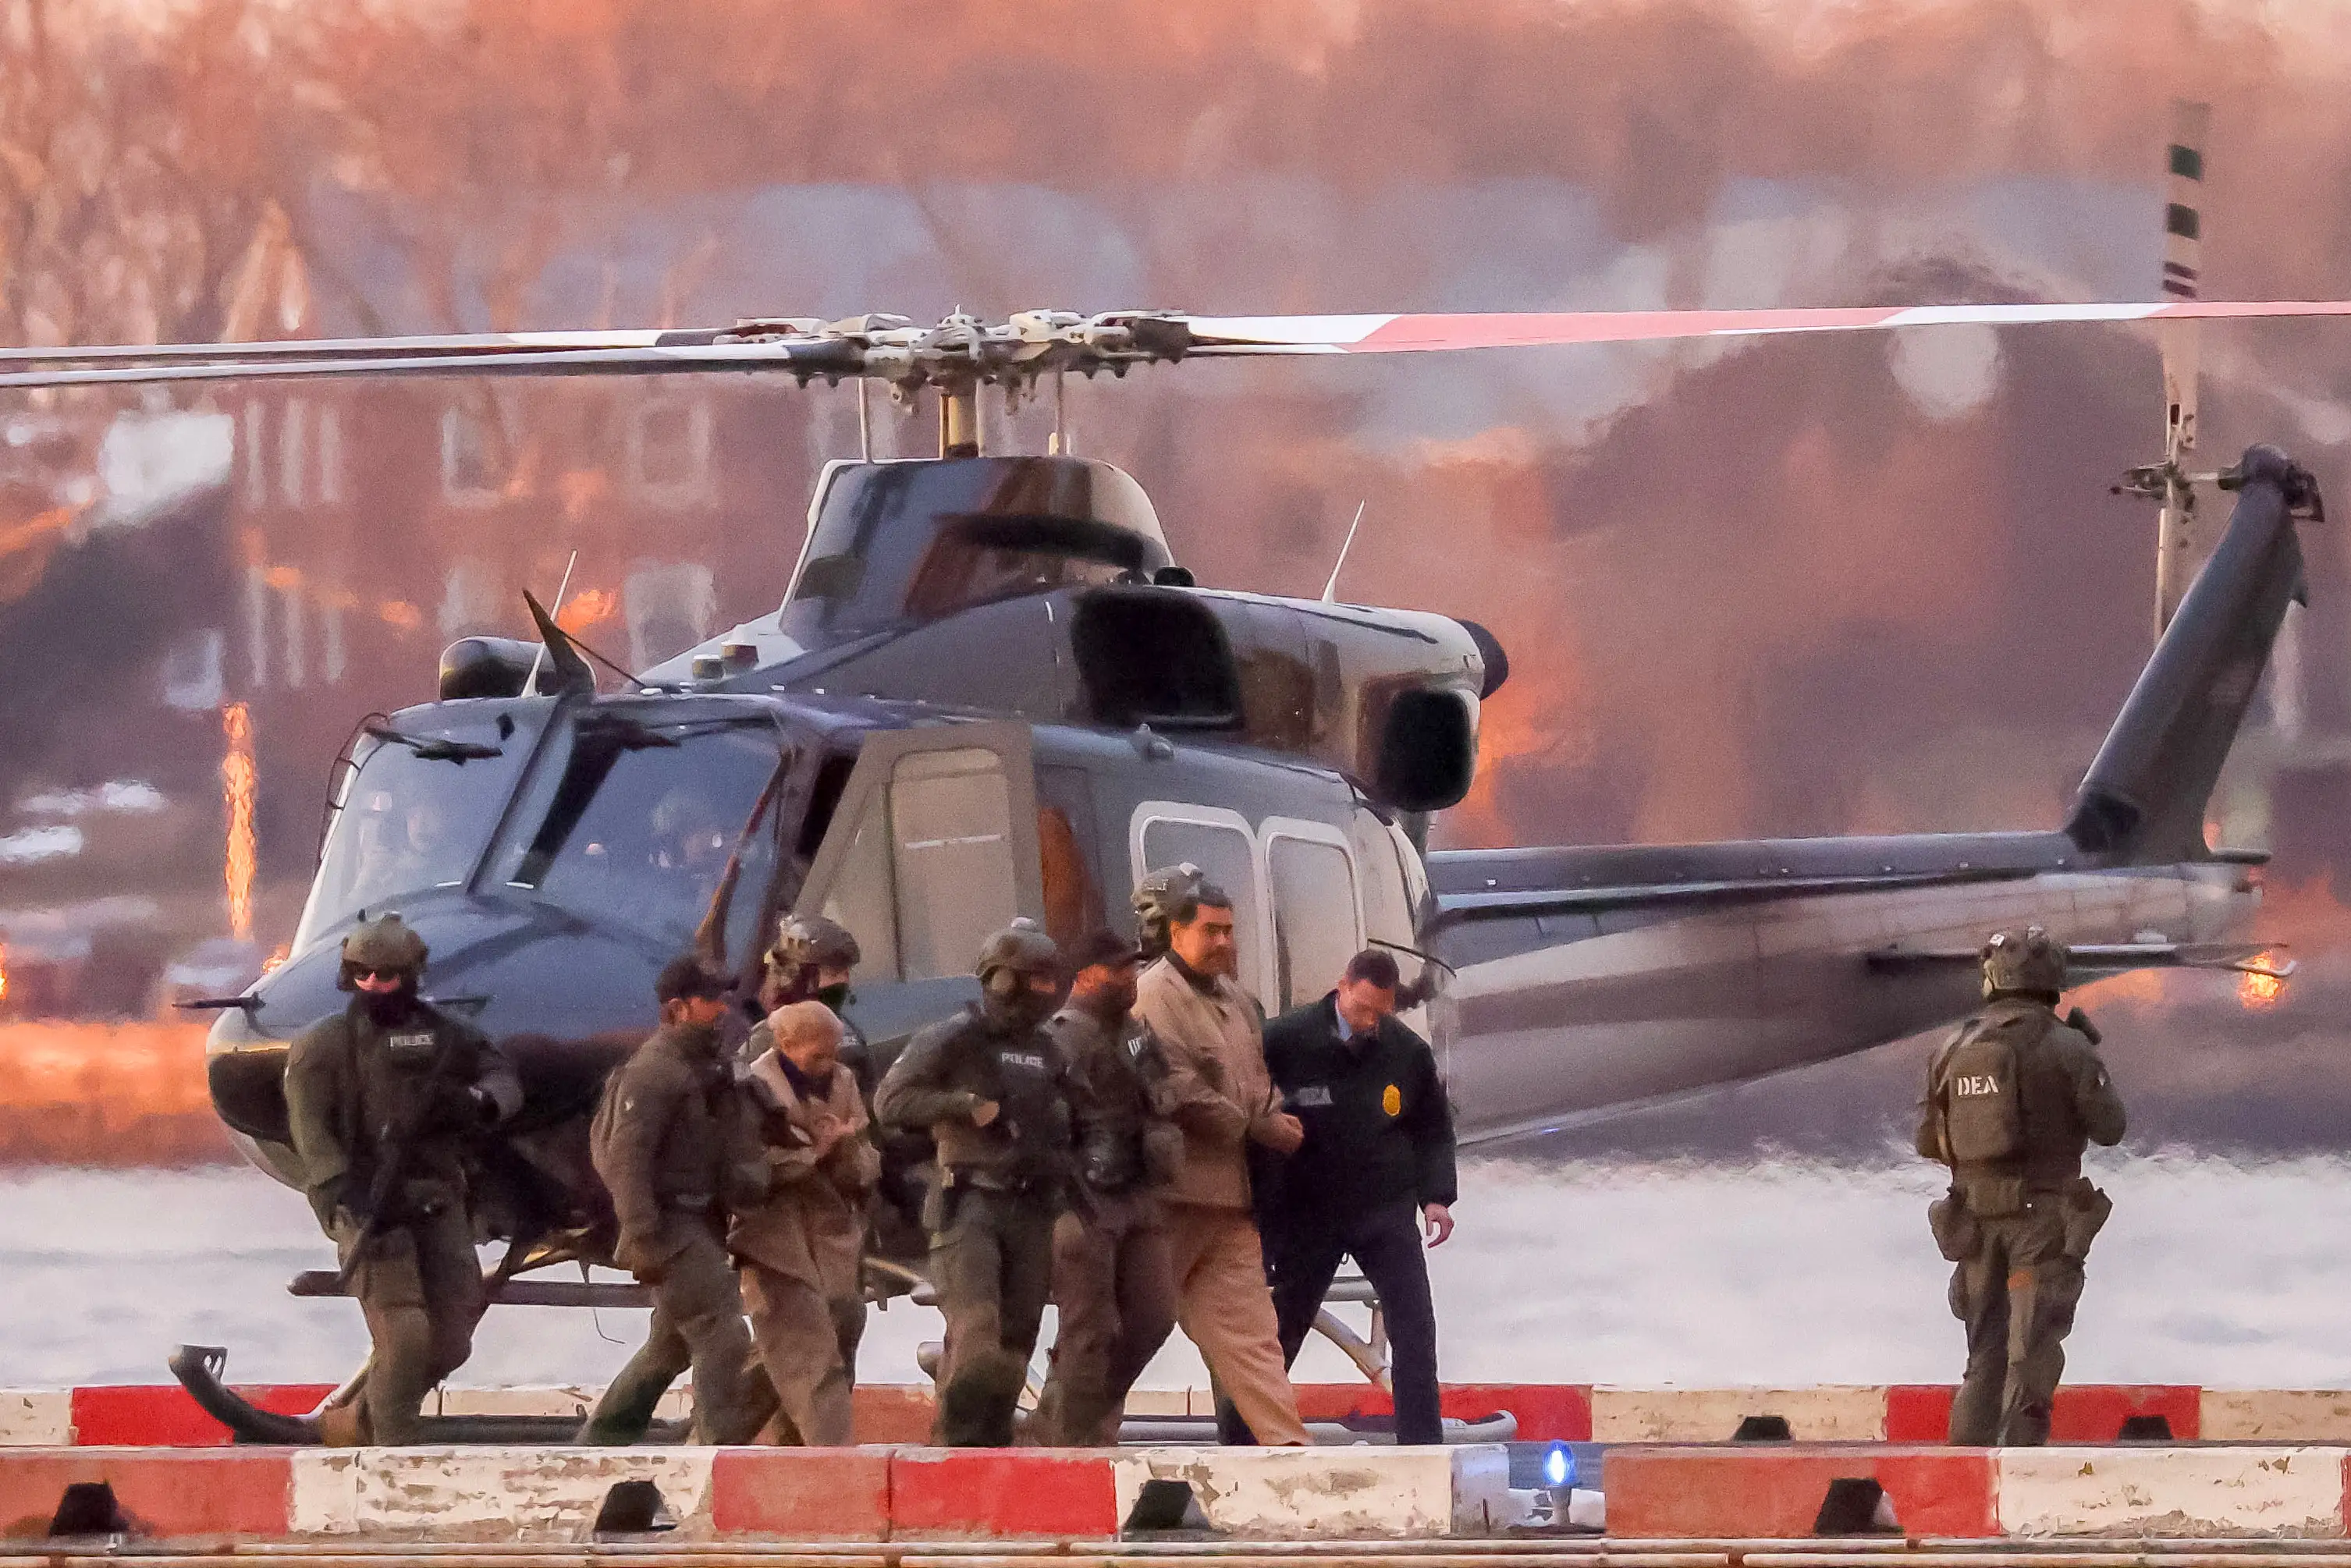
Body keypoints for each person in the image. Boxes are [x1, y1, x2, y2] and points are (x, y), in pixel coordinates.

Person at [282, 913, 522, 1446]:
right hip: (366, 1203)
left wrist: (475, 1104)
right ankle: (394, 1448)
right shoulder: (324, 1046)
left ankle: (361, 1420)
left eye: (386, 976)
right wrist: (344, 1191)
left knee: (452, 1337)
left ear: (410, 974)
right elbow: (310, 1130)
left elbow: (500, 1076)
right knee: (405, 1333)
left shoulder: (445, 1038)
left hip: (437, 1196)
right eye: (362, 975)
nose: (374, 986)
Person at [1916, 925, 2126, 1446]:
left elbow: (1928, 1141)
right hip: (2039, 1220)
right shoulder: (2066, 1045)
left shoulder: (1951, 1047)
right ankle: (2020, 1475)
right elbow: (2110, 1129)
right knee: (2029, 1351)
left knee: (1981, 1358)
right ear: (2051, 979)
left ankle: (1965, 1480)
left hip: (1971, 1224)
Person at [875, 920, 1073, 1446]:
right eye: (1033, 981)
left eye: (1050, 982)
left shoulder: (1051, 1050)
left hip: (1033, 1208)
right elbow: (891, 1102)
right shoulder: (953, 1038)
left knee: (1016, 1340)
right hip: (970, 1204)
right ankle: (954, 1445)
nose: (1044, 994)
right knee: (977, 1331)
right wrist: (962, 1108)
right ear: (1002, 980)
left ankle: (991, 1447)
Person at [1131, 878, 1312, 1448]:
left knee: (1255, 1342)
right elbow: (1175, 1089)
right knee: (1130, 1334)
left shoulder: (1235, 1001)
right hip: (1173, 1202)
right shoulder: (1152, 997)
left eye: (1228, 930)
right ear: (1176, 932)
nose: (1222, 942)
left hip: (1232, 1203)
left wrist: (1274, 1120)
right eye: (1209, 930)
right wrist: (1258, 1127)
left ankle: (1291, 1457)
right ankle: (1063, 1452)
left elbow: (1258, 1086)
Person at [1260, 948, 1458, 1446]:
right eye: (1363, 1009)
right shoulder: (1285, 1039)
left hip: (1383, 1207)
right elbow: (1249, 1114)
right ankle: (1242, 1440)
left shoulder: (1406, 1052)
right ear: (1342, 986)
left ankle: (1421, 1446)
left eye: (1381, 1013)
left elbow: (1432, 1129)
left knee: (1414, 1328)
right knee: (1279, 1331)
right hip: (1309, 1209)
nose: (1370, 1022)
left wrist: (1437, 1198)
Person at [577, 955, 763, 1446]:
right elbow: (626, 1162)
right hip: (669, 1227)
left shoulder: (701, 1068)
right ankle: (718, 1449)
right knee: (722, 1338)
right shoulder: (654, 1072)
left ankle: (600, 1443)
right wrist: (641, 1236)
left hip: (698, 1219)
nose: (721, 1010)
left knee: (669, 1345)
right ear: (677, 1009)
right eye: (709, 1002)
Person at [1031, 931, 1183, 1446]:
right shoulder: (1060, 1036)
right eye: (1119, 969)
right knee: (1089, 1330)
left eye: (1133, 968)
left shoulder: (1136, 1033)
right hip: (1084, 1198)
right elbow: (1039, 1121)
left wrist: (1162, 1132)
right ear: (1087, 975)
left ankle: (1067, 1418)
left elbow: (1161, 1092)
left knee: (1155, 1316)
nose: (1130, 978)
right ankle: (1068, 1442)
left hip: (1139, 1191)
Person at [730, 1000, 878, 1446]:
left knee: (844, 1317)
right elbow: (750, 1167)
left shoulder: (844, 1082)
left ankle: (786, 1442)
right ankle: (820, 1452)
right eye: (817, 1055)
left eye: (833, 1054)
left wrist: (848, 1148)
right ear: (785, 1043)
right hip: (772, 1231)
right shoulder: (752, 1087)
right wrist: (815, 1152)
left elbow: (867, 1160)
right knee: (801, 1342)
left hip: (830, 1223)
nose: (827, 1065)